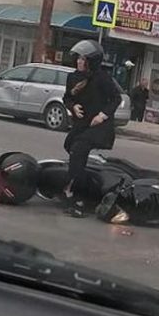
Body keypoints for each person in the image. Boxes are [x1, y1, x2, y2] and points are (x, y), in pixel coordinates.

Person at [61, 40, 121, 216]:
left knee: (78, 149)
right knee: (70, 146)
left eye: (83, 59)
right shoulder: (73, 77)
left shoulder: (102, 78)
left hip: (99, 127)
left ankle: (79, 200)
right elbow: (67, 98)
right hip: (81, 125)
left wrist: (102, 115)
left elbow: (116, 98)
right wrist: (73, 107)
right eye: (78, 59)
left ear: (91, 62)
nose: (79, 62)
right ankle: (85, 183)